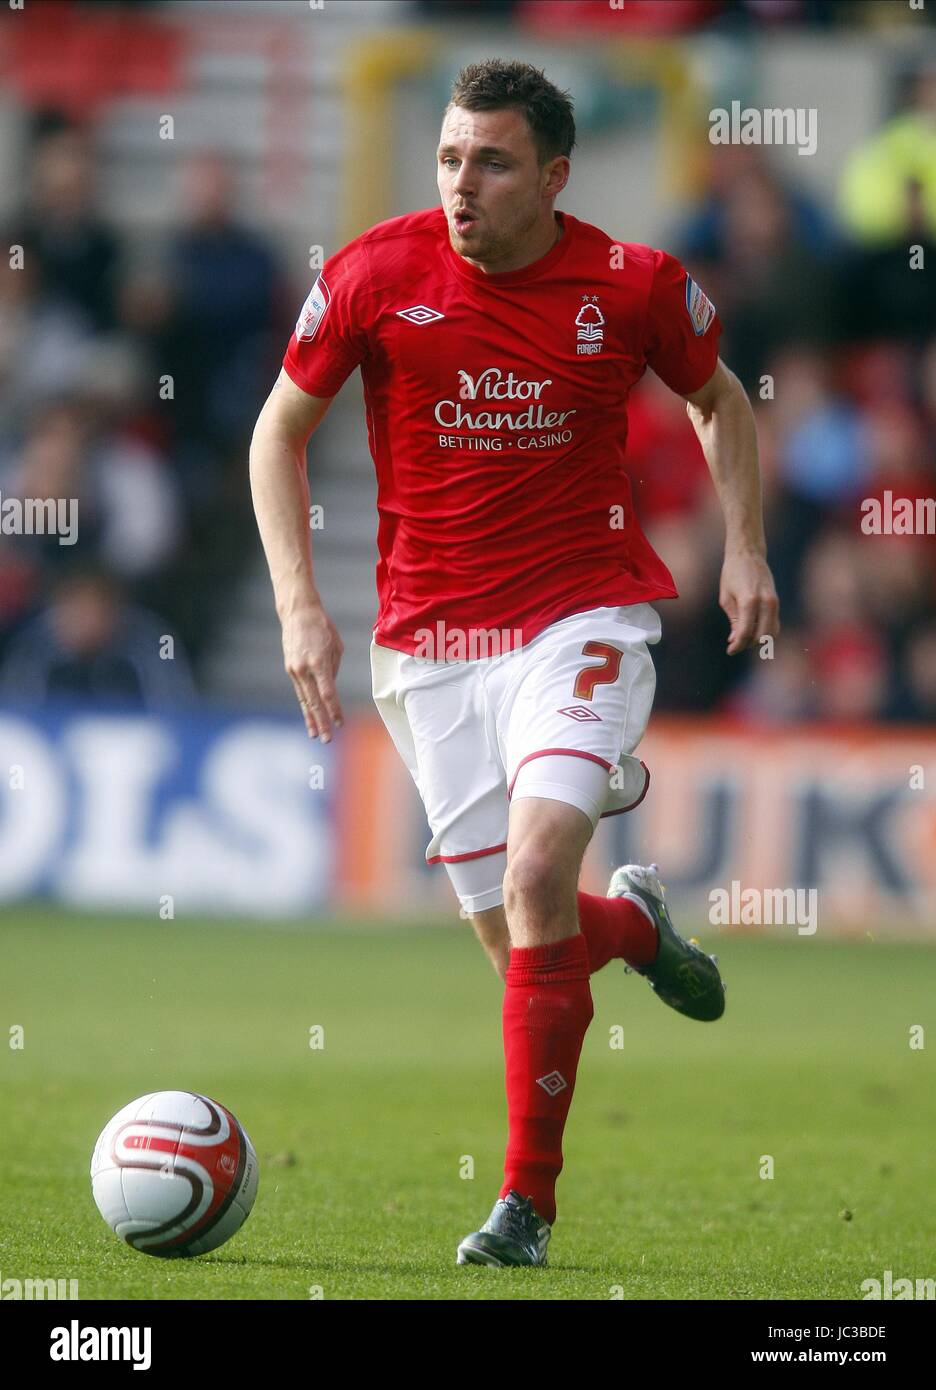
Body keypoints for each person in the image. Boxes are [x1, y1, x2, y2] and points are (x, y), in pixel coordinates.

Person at [250, 59, 779, 1268]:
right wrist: (297, 604)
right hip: (429, 649)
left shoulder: (632, 283)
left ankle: (523, 1208)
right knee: (521, 945)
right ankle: (636, 932)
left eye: (489, 161)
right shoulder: (372, 274)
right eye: (447, 157)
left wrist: (744, 547)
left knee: (539, 872)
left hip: (580, 618)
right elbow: (275, 435)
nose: (460, 184)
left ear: (553, 175)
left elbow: (721, 401)